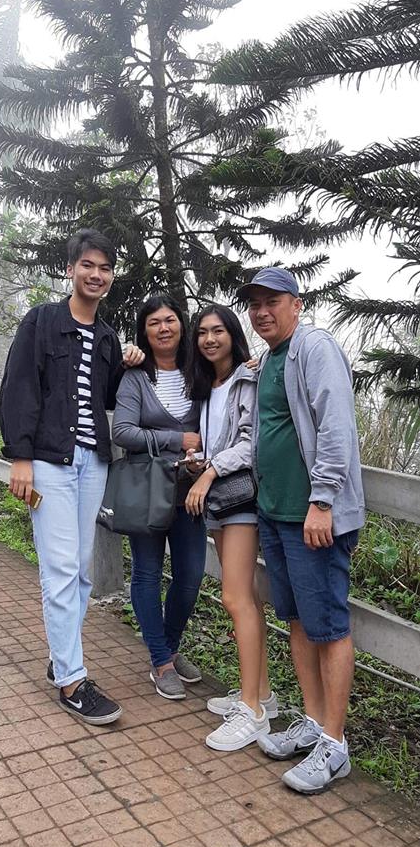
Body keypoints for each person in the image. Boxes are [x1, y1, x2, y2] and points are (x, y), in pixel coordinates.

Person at [0, 229, 144, 725]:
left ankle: (62, 656)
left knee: (80, 571)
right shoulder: (41, 321)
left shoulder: (107, 337)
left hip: (93, 463)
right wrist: (20, 457)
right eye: (88, 265)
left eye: (105, 268)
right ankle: (72, 681)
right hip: (48, 462)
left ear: (111, 276)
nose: (96, 275)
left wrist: (129, 363)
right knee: (60, 569)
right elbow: (19, 388)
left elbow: (107, 397)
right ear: (70, 269)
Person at [237, 266, 365, 794]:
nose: (261, 311)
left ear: (297, 303)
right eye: (254, 304)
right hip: (275, 513)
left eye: (273, 301)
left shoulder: (315, 348)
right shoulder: (270, 358)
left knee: (328, 626)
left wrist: (322, 500)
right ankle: (313, 722)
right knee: (295, 620)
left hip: (313, 517)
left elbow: (336, 425)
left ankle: (335, 744)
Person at [185, 305, 278, 752]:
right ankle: (263, 695)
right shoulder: (208, 386)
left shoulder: (248, 377)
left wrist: (208, 472)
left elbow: (250, 443)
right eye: (202, 332)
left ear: (232, 335)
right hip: (219, 498)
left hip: (239, 498)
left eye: (218, 330)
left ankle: (252, 712)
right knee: (246, 598)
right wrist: (199, 462)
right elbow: (220, 441)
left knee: (235, 598)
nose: (209, 339)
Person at [112, 294, 207, 700]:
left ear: (181, 325)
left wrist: (251, 366)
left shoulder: (198, 372)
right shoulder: (136, 377)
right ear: (144, 331)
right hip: (148, 491)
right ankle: (161, 660)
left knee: (190, 575)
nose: (163, 328)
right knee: (147, 574)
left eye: (169, 320)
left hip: (191, 492)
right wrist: (176, 439)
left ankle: (167, 646)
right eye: (154, 323)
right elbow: (122, 432)